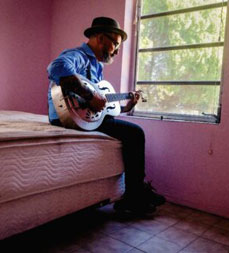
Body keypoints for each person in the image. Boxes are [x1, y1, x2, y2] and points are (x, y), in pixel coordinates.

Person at [47, 17, 165, 214]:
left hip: (84, 118)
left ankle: (136, 190)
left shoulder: (97, 66)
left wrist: (127, 107)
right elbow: (55, 68)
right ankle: (134, 196)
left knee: (125, 129)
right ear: (101, 38)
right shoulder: (77, 55)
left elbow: (100, 109)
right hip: (65, 117)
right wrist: (88, 95)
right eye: (115, 44)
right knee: (136, 133)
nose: (117, 51)